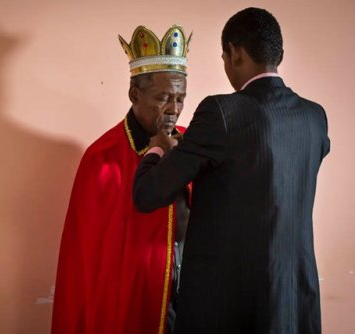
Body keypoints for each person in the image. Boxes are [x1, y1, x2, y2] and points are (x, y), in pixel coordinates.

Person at [133, 8, 330, 334]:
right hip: (293, 304)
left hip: (227, 306)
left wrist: (157, 147)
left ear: (235, 53)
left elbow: (147, 194)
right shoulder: (314, 118)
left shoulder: (221, 113)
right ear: (279, 55)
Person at [52, 25, 192, 334]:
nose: (174, 110)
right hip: (128, 304)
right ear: (134, 94)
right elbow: (84, 262)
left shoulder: (192, 146)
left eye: (180, 98)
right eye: (163, 97)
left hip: (190, 298)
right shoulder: (101, 159)